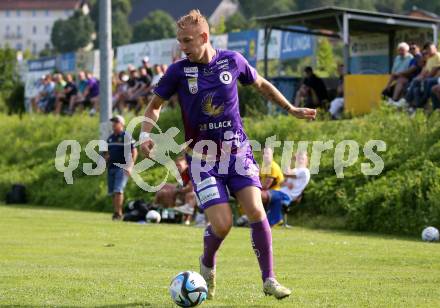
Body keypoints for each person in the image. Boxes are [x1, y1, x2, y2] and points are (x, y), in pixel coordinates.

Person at [139, 9, 316, 300]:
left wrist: (291, 109)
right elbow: (154, 106)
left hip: (238, 154)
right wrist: (146, 135)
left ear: (204, 37)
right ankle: (207, 263)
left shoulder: (233, 61)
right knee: (222, 224)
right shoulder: (178, 71)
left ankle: (269, 279)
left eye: (186, 40)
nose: (182, 47)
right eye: (179, 41)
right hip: (202, 160)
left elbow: (261, 85)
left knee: (256, 209)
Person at [104, 115, 138, 220]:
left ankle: (118, 213)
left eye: (116, 122)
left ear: (122, 124)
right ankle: (116, 212)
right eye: (113, 122)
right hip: (111, 167)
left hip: (122, 167)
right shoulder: (110, 138)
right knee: (113, 192)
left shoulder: (126, 136)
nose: (114, 124)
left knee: (118, 190)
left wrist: (130, 166)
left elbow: (134, 151)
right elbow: (107, 153)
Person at [266, 152, 310, 227]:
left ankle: (276, 219)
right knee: (265, 197)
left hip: (286, 196)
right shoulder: (295, 170)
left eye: (302, 158)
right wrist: (286, 183)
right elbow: (281, 183)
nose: (300, 160)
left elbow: (286, 173)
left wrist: (289, 159)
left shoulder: (305, 171)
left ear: (307, 161)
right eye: (299, 158)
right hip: (281, 192)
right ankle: (274, 220)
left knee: (263, 195)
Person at [153, 156, 197, 222]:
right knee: (164, 187)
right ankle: (154, 208)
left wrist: (176, 190)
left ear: (186, 165)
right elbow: (181, 186)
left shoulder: (190, 171)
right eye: (176, 165)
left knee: (189, 195)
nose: (177, 167)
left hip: (197, 195)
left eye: (179, 165)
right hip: (186, 193)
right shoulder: (181, 173)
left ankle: (186, 220)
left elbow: (190, 188)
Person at [405, 42, 440, 111]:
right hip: (431, 79)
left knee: (426, 82)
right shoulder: (430, 59)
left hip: (435, 78)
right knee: (415, 85)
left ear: (435, 49)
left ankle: (421, 100)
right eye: (427, 50)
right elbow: (424, 72)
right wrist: (420, 78)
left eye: (430, 49)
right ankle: (412, 104)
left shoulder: (438, 56)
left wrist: (423, 78)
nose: (428, 51)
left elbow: (433, 72)